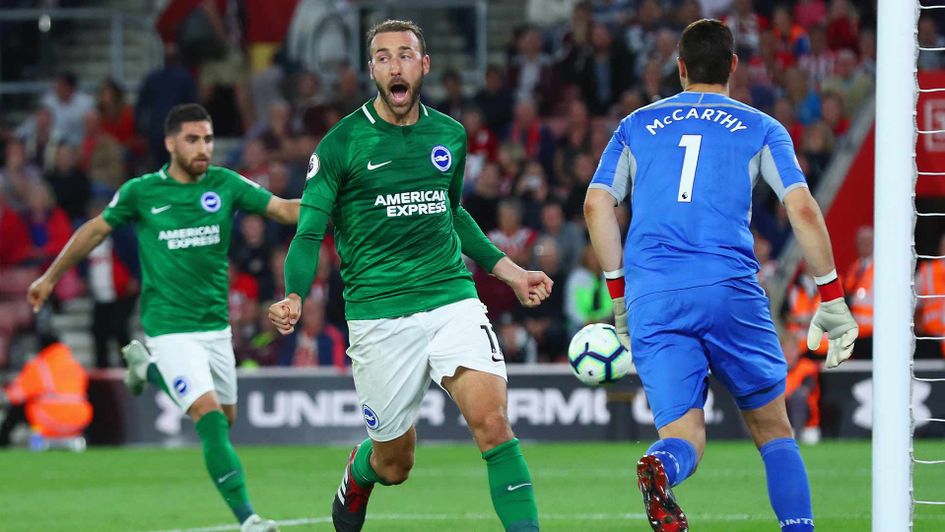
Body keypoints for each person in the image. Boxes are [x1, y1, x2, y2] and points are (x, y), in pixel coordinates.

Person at [267, 20, 550, 532]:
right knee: (395, 464)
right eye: (382, 57)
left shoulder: (449, 135)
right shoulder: (341, 144)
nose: (394, 65)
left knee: (492, 422)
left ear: (424, 65)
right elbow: (309, 233)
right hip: (378, 314)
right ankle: (359, 473)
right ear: (372, 70)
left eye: (405, 55)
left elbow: (453, 213)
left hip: (450, 299)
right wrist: (292, 294)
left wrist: (509, 271)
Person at [584, 19, 857, 532]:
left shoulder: (635, 125)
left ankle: (661, 467)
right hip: (728, 289)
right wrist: (832, 298)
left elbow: (598, 203)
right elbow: (802, 210)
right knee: (774, 430)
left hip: (654, 296)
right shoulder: (761, 127)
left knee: (685, 436)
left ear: (680, 68)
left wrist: (620, 296)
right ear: (733, 65)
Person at [26, 103, 298, 532]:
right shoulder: (141, 192)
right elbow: (96, 230)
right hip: (169, 327)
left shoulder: (225, 184)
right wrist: (50, 276)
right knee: (209, 419)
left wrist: (342, 205)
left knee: (225, 419)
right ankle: (249, 519)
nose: (203, 147)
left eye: (208, 138)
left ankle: (148, 372)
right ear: (171, 143)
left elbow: (284, 210)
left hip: (214, 326)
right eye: (193, 139)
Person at [0, 325, 92, 449]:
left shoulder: (40, 366)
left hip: (49, 419)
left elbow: (15, 396)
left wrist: (7, 392)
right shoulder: (75, 365)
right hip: (79, 420)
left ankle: (3, 442)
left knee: (18, 408)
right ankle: (89, 440)